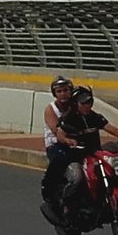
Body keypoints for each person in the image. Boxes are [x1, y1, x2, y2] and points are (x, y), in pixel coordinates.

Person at [51, 86, 118, 205]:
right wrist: (68, 141)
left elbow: (111, 128)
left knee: (113, 172)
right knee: (77, 178)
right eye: (83, 103)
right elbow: (60, 134)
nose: (87, 105)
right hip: (76, 156)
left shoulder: (95, 117)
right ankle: (66, 205)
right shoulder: (69, 118)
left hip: (94, 154)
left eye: (89, 102)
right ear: (75, 103)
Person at [39, 75, 80, 215]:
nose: (63, 94)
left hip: (77, 143)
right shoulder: (50, 109)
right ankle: (49, 189)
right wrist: (66, 140)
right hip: (57, 144)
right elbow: (56, 130)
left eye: (66, 90)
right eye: (59, 91)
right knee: (61, 160)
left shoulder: (76, 106)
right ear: (55, 94)